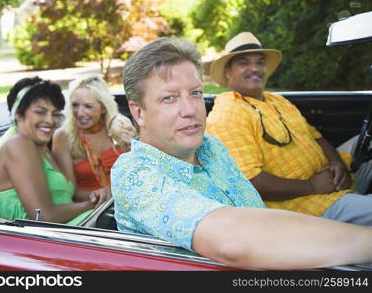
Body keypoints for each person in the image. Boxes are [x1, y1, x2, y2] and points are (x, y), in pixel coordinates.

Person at [111, 36, 372, 270]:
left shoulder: (212, 147)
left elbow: (260, 218)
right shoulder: (133, 173)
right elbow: (231, 241)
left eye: (195, 93)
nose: (190, 109)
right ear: (138, 113)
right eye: (169, 98)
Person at [206, 32, 372, 225]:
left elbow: (315, 136)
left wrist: (337, 165)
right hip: (305, 205)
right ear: (228, 72)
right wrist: (312, 186)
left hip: (331, 179)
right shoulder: (228, 114)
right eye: (244, 63)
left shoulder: (277, 100)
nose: (255, 68)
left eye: (260, 62)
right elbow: (249, 182)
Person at [0, 77, 98, 225]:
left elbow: (67, 198)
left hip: (72, 230)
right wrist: (94, 205)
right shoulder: (19, 144)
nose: (50, 120)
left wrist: (98, 195)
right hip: (43, 241)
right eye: (41, 112)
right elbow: (44, 217)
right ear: (18, 114)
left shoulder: (43, 149)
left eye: (55, 114)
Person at [52, 75, 136, 203]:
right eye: (75, 105)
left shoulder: (119, 127)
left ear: (103, 107)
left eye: (88, 106)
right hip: (94, 210)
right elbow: (71, 192)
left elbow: (139, 170)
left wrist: (136, 143)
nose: (80, 113)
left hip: (131, 199)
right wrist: (99, 194)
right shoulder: (63, 136)